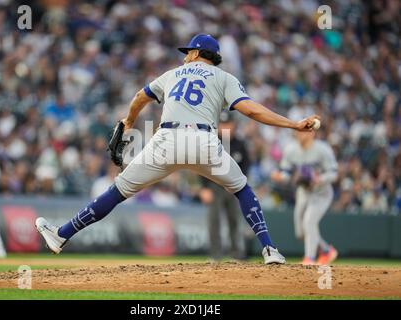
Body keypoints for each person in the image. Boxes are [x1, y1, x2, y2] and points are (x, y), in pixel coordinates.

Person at [36, 34, 320, 264]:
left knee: (118, 191)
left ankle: (61, 235)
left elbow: (138, 97)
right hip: (203, 142)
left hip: (166, 140)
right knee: (242, 189)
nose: (185, 55)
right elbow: (251, 110)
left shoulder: (173, 73)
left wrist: (129, 121)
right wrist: (293, 124)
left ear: (197, 54)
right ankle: (269, 250)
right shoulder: (224, 78)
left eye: (189, 51)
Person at [271, 129, 338, 265]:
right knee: (300, 233)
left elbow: (334, 173)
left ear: (312, 133)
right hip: (303, 192)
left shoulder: (322, 149)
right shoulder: (291, 149)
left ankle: (309, 258)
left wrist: (321, 178)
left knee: (309, 222)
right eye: (298, 131)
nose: (300, 134)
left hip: (321, 193)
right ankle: (326, 251)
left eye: (304, 131)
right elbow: (287, 172)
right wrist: (280, 177)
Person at [199, 112, 248, 261]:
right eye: (223, 124)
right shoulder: (211, 142)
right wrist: (204, 187)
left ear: (234, 125)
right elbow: (200, 164)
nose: (226, 127)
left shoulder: (240, 144)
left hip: (232, 187)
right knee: (214, 221)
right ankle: (215, 256)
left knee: (234, 220)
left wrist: (239, 185)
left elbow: (246, 167)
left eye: (229, 124)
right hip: (214, 186)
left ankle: (236, 255)